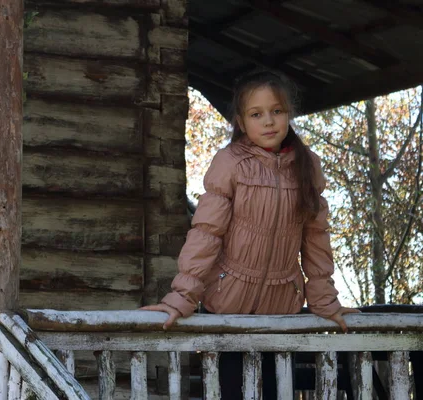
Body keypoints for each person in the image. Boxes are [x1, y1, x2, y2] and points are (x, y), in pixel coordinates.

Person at [140, 69, 360, 397]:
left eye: (277, 111)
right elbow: (206, 233)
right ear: (242, 123)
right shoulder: (229, 163)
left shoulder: (307, 166)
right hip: (226, 307)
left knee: (272, 392)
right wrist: (183, 297)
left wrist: (325, 301)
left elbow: (316, 237)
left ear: (289, 114)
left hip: (281, 310)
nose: (268, 121)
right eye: (257, 114)